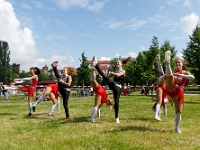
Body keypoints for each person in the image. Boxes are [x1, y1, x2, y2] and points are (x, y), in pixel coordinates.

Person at [89, 56, 131, 123]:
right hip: (113, 84)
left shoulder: (123, 71)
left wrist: (112, 73)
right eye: (116, 63)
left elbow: (118, 75)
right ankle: (96, 65)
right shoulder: (114, 71)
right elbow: (108, 77)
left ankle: (116, 117)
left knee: (116, 102)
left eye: (118, 63)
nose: (117, 64)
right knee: (104, 76)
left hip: (118, 87)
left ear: (121, 64)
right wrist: (107, 76)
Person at [162, 50, 195, 133]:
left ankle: (177, 127)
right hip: (170, 89)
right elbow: (162, 79)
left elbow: (192, 77)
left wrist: (181, 75)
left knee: (179, 111)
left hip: (179, 93)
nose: (177, 64)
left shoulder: (184, 72)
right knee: (170, 76)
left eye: (179, 62)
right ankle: (167, 63)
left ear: (182, 64)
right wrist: (163, 77)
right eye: (176, 63)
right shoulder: (172, 72)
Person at [153, 54, 168, 121]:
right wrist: (158, 61)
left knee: (163, 103)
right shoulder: (163, 76)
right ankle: (157, 116)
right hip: (160, 88)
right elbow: (160, 69)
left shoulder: (168, 77)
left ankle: (163, 117)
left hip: (165, 90)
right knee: (160, 102)